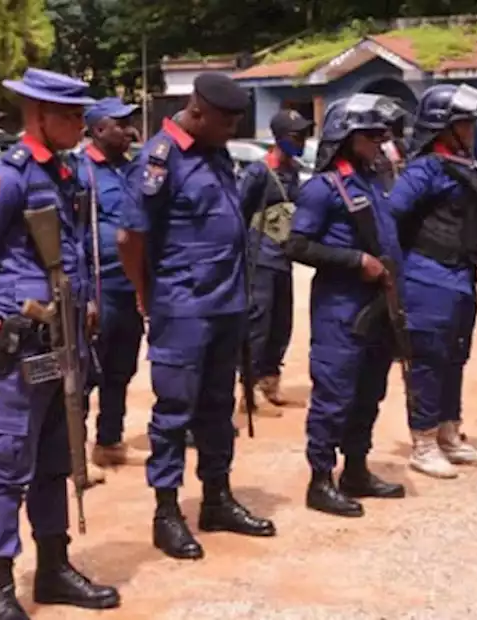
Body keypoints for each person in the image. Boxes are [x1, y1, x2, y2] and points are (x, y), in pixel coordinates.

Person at [0, 68, 119, 619]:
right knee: (8, 464)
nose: (81, 124)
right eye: (70, 116)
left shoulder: (68, 172)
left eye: (81, 115)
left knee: (58, 453)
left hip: (65, 335)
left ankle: (53, 567)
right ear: (38, 116)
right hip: (21, 340)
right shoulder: (6, 176)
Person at [119, 72, 276, 560]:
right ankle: (167, 513)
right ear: (198, 111)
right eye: (226, 120)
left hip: (226, 304)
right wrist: (148, 295)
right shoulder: (161, 158)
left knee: (217, 408)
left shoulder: (216, 152)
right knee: (173, 415)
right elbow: (130, 239)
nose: (232, 129)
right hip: (183, 307)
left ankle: (217, 498)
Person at [283, 94, 408, 517]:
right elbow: (296, 245)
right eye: (371, 136)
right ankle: (321, 479)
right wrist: (356, 261)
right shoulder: (322, 189)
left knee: (370, 391)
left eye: (382, 135)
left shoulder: (376, 180)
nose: (380, 143)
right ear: (346, 137)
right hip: (341, 305)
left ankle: (356, 469)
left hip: (379, 304)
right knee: (334, 394)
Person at [388, 84, 477, 479]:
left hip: (461, 276)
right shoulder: (424, 170)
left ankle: (450, 432)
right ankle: (424, 440)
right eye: (464, 124)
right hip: (427, 276)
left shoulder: (465, 166)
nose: (472, 130)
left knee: (456, 356)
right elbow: (391, 215)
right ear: (443, 128)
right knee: (429, 359)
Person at [73, 97, 150, 470]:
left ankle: (109, 441)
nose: (130, 129)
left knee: (121, 368)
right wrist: (84, 294)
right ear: (100, 129)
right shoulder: (80, 171)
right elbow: (73, 237)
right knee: (87, 372)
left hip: (129, 286)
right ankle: (73, 452)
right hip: (98, 287)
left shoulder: (133, 169)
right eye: (121, 124)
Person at [236, 109, 313, 418]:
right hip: (260, 259)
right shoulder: (258, 172)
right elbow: (239, 211)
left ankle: (270, 381)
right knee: (258, 324)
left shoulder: (293, 170)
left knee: (281, 324)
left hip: (283, 258)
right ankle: (249, 391)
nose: (302, 142)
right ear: (280, 138)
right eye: (296, 137)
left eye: (304, 136)